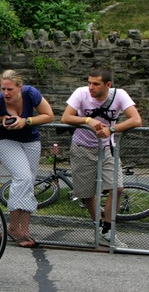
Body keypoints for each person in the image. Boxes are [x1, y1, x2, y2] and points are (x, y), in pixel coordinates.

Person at [60, 67, 142, 248]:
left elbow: (136, 119)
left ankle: (107, 229)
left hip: (107, 148)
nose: (91, 87)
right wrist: (88, 120)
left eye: (96, 84)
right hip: (82, 147)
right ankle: (99, 229)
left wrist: (111, 129)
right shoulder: (81, 93)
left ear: (108, 85)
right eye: (89, 82)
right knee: (87, 194)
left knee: (117, 188)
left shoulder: (119, 95)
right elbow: (65, 117)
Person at [0, 70, 54, 248]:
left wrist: (26, 121)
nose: (6, 93)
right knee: (23, 177)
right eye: (3, 88)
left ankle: (25, 229)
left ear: (20, 87)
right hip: (4, 139)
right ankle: (13, 227)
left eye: (10, 89)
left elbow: (49, 115)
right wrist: (2, 118)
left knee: (29, 181)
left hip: (30, 139)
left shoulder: (30, 93)